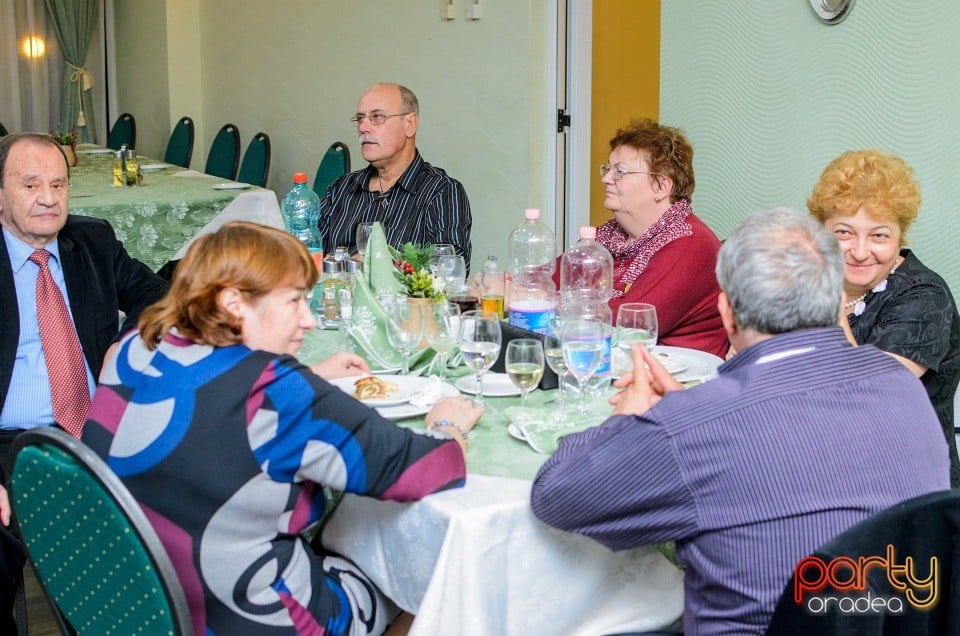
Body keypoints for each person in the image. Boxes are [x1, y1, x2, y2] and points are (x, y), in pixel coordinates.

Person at [531, 208, 950, 635]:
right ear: (833, 301)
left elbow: (557, 497)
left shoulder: (696, 425)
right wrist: (687, 415)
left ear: (726, 312)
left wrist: (628, 418)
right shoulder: (901, 385)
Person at [81, 221, 483, 636]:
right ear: (234, 302)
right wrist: (448, 423)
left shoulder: (135, 348)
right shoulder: (275, 389)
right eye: (294, 301)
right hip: (252, 615)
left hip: (132, 604)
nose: (308, 320)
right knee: (415, 568)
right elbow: (422, 468)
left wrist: (307, 377)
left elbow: (209, 402)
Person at [0, 132, 168, 632]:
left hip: (99, 431)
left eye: (58, 184)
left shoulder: (90, 240)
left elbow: (158, 294)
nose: (48, 198)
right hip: (12, 444)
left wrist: (126, 340)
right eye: (30, 184)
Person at [808, 149, 960, 488]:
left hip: (905, 484)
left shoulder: (924, 297)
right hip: (824, 466)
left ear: (899, 236)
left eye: (879, 235)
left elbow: (867, 394)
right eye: (844, 233)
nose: (860, 252)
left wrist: (829, 306)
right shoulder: (809, 278)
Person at [569, 119, 727, 357]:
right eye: (608, 169)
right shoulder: (607, 235)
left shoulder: (691, 243)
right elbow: (549, 280)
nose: (606, 179)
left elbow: (629, 323)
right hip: (615, 365)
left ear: (661, 187)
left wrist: (556, 305)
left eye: (619, 172)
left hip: (678, 381)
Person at [319, 83, 472, 266]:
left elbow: (449, 269)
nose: (363, 127)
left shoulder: (442, 192)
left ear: (410, 125)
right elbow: (305, 257)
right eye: (360, 119)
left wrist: (370, 266)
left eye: (377, 117)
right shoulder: (339, 189)